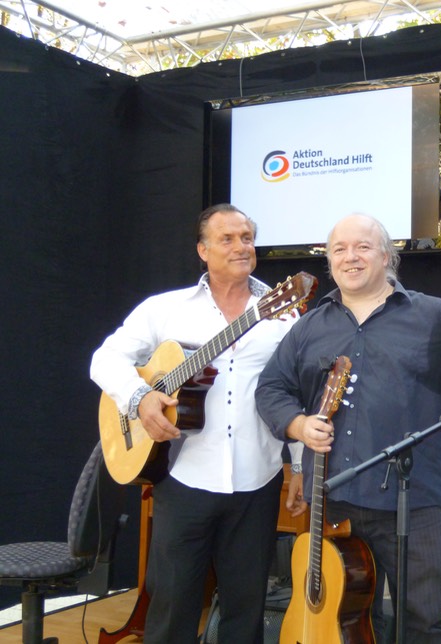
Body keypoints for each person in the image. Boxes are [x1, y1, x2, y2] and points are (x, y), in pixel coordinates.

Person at [255, 213, 441, 643]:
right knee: (341, 623)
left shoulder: (436, 316)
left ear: (387, 255)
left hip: (413, 503)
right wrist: (297, 424)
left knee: (420, 624)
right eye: (339, 249)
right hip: (331, 501)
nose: (351, 257)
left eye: (363, 247)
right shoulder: (310, 325)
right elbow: (272, 387)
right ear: (329, 261)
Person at [90, 204, 304, 643]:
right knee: (172, 607)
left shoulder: (283, 314)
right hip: (183, 477)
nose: (241, 246)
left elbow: (296, 393)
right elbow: (104, 359)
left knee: (246, 610)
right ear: (202, 251)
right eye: (227, 239)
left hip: (257, 479)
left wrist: (299, 466)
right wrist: (140, 397)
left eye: (247, 237)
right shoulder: (165, 309)